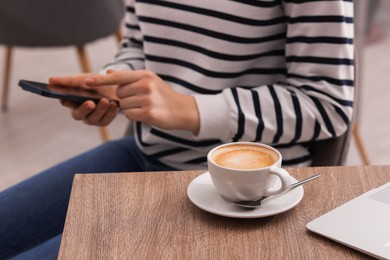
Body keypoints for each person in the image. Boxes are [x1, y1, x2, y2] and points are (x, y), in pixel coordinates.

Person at [0, 0, 354, 258]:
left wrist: (189, 109)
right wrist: (114, 82)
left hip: (249, 195)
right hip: (145, 153)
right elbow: (139, 43)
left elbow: (327, 105)